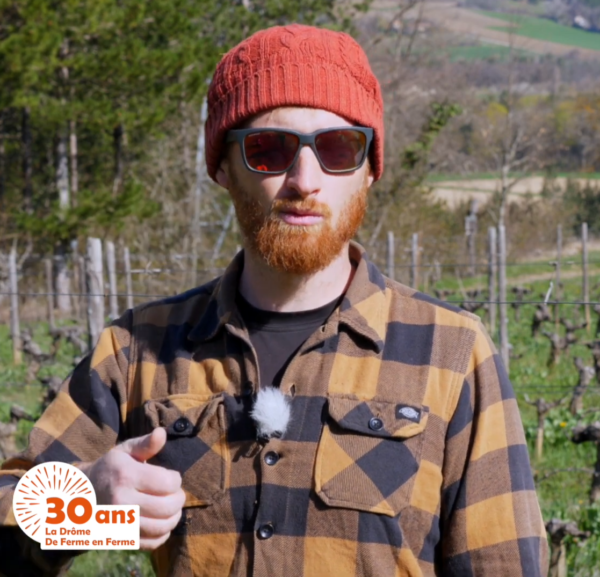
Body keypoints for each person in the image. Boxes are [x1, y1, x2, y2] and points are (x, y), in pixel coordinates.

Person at [0, 23, 548, 577]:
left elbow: (502, 565)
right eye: (268, 150)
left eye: (338, 148)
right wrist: (86, 505)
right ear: (223, 167)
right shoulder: (138, 349)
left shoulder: (452, 353)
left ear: (369, 170)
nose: (304, 180)